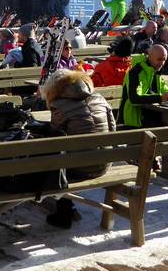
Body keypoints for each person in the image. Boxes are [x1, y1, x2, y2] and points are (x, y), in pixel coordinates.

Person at [40, 69, 115, 228]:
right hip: (105, 164)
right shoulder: (100, 99)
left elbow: (54, 141)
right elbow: (112, 130)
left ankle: (64, 214)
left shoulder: (59, 106)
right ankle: (68, 207)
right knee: (71, 156)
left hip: (79, 169)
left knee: (59, 162)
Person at [119, 44, 168, 129]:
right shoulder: (136, 72)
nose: (162, 63)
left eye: (164, 60)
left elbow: (164, 91)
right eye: (159, 59)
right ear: (149, 57)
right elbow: (134, 98)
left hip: (151, 115)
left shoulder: (155, 71)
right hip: (133, 121)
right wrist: (160, 98)